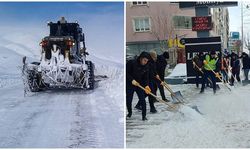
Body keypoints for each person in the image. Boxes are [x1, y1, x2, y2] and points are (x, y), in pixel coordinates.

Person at [126, 51, 151, 121]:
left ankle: (144, 116)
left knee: (142, 99)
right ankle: (129, 113)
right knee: (129, 99)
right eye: (144, 60)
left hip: (139, 84)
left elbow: (146, 78)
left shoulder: (146, 66)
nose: (145, 62)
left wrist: (146, 85)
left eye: (147, 61)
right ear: (141, 58)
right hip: (129, 84)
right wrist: (132, 80)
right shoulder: (131, 63)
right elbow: (126, 73)